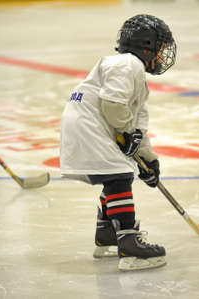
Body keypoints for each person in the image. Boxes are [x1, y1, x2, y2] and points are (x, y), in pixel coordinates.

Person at [60, 14, 176, 271]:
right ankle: (128, 242)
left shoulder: (134, 76)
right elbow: (113, 105)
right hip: (90, 128)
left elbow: (136, 125)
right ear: (146, 47)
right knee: (119, 175)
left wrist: (149, 160)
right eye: (159, 48)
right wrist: (125, 133)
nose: (162, 55)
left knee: (117, 172)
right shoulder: (128, 64)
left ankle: (107, 233)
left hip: (86, 127)